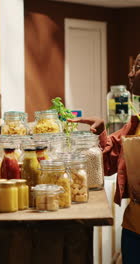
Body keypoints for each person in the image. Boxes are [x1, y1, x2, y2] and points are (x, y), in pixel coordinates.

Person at [69, 53, 140, 264]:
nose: (130, 73)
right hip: (134, 229)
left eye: (137, 67)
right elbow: (108, 165)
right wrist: (101, 132)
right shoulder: (134, 123)